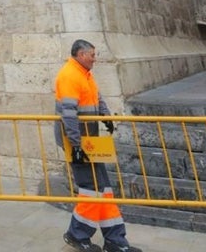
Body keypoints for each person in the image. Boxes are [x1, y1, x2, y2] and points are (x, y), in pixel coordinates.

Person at [54, 39, 142, 252]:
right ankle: (76, 235)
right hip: (77, 141)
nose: (95, 58)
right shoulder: (69, 75)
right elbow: (68, 114)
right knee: (91, 189)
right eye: (92, 55)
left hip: (90, 141)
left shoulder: (85, 74)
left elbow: (97, 97)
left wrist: (106, 117)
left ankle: (115, 240)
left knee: (104, 188)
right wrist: (75, 145)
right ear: (81, 54)